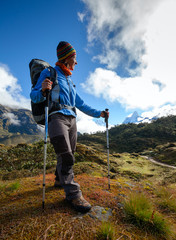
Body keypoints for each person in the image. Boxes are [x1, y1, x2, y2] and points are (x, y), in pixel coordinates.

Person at [30, 41, 109, 213]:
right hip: (56, 118)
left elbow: (81, 104)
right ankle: (73, 194)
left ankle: (59, 180)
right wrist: (43, 89)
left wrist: (99, 114)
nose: (76, 62)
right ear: (66, 58)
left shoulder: (69, 80)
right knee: (66, 155)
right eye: (75, 58)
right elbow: (34, 95)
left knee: (69, 153)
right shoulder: (49, 73)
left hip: (72, 121)